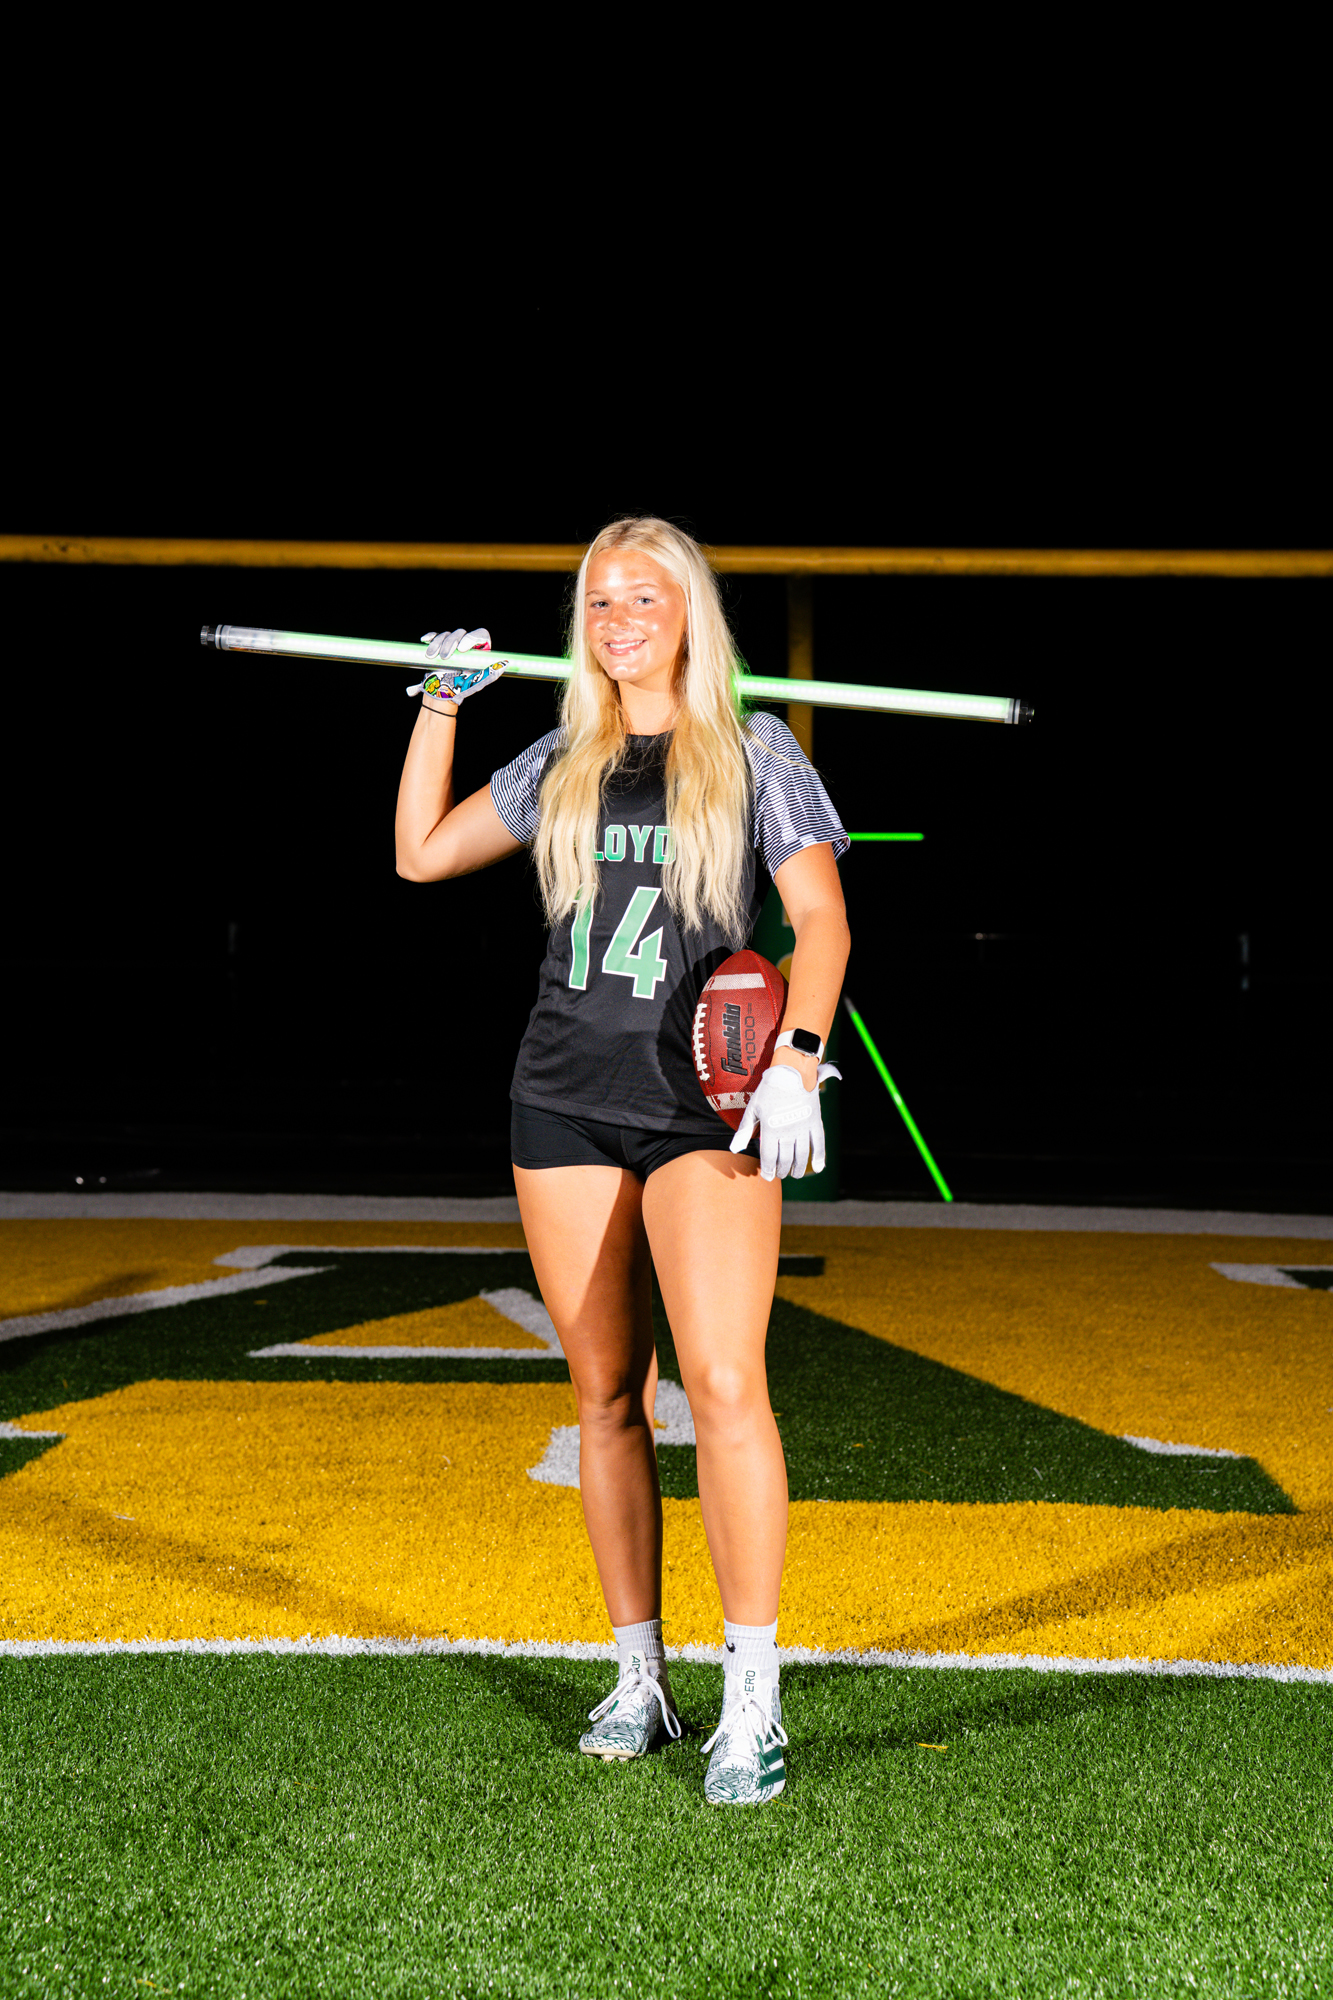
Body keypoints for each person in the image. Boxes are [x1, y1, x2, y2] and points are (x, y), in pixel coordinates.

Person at [395, 517, 849, 1805]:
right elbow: (419, 855)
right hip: (563, 1101)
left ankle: (751, 1695)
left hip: (707, 1107)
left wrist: (798, 1058)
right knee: (605, 1395)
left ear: (689, 613)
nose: (619, 620)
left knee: (726, 1383)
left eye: (644, 597)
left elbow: (821, 921)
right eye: (600, 600)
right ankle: (640, 1677)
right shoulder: (565, 755)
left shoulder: (755, 750)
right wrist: (440, 704)